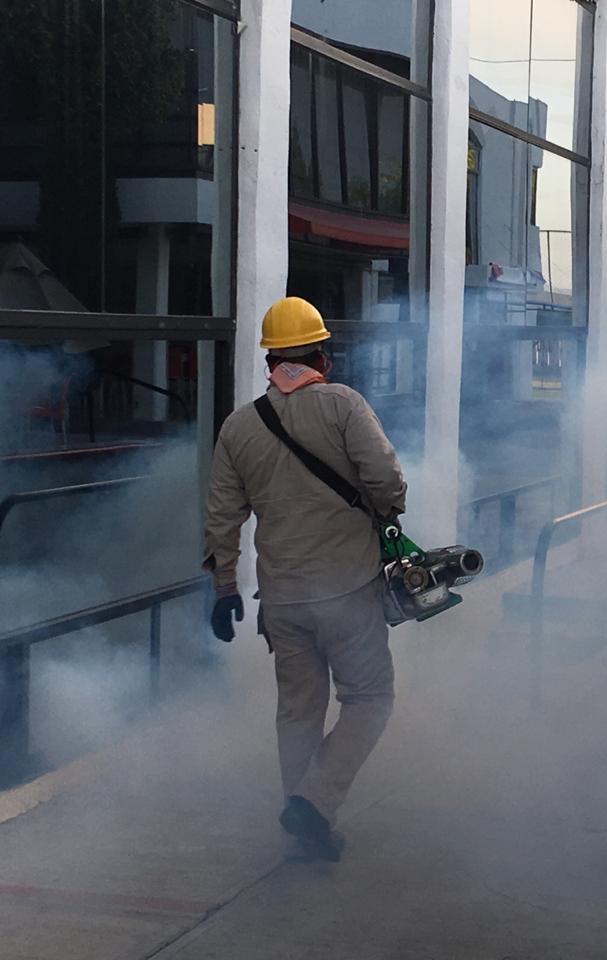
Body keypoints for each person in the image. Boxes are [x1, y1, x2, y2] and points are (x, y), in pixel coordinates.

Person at [202, 296, 407, 861]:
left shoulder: (239, 426)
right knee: (369, 699)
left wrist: (224, 588)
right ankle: (314, 803)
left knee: (297, 711)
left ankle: (304, 822)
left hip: (283, 600)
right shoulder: (344, 405)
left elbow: (222, 516)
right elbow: (388, 483)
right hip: (347, 592)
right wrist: (383, 509)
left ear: (270, 363)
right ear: (325, 356)